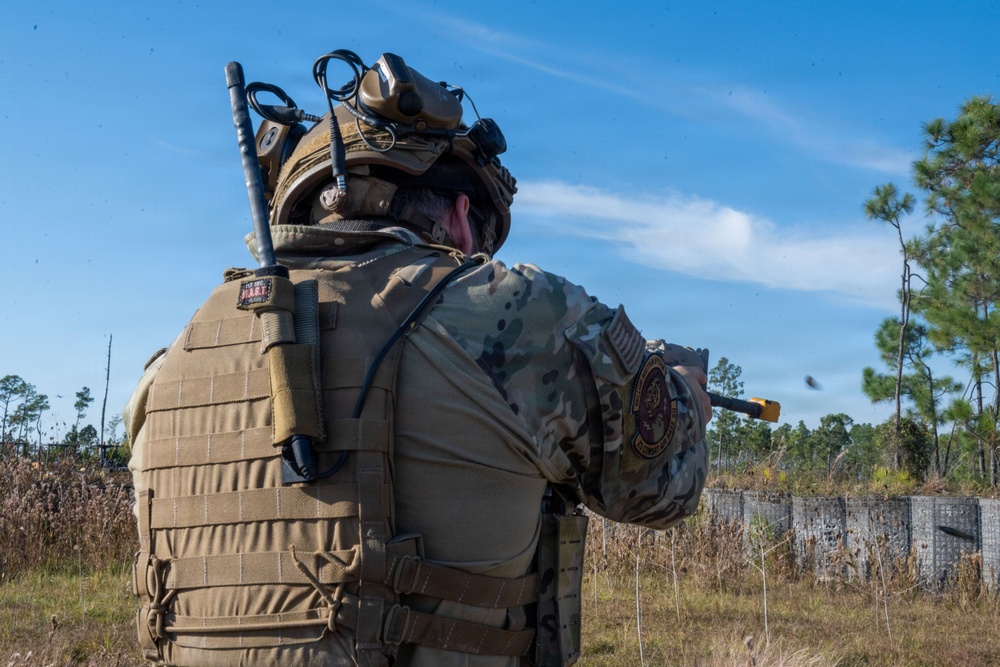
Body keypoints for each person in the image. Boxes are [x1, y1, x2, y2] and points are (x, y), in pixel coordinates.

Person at [124, 50, 711, 667]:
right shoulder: (519, 313)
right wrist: (685, 397)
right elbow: (660, 490)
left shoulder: (166, 372)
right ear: (461, 217)